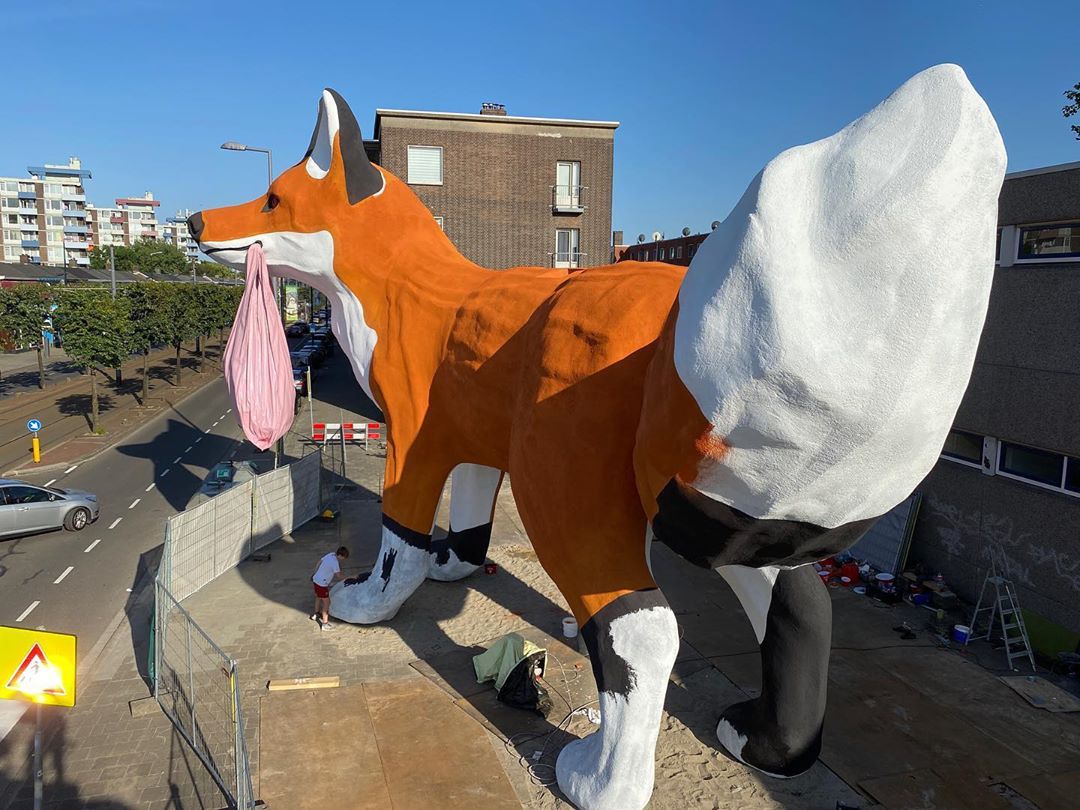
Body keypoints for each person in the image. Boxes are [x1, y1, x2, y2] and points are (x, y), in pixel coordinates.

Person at [311, 546, 349, 630]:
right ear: (341, 555)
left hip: (316, 580)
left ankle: (316, 614)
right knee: (327, 603)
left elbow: (319, 562)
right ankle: (324, 624)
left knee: (318, 597)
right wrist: (350, 577)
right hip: (322, 584)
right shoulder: (335, 563)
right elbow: (338, 576)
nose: (343, 560)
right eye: (344, 558)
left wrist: (315, 573)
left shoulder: (331, 554)